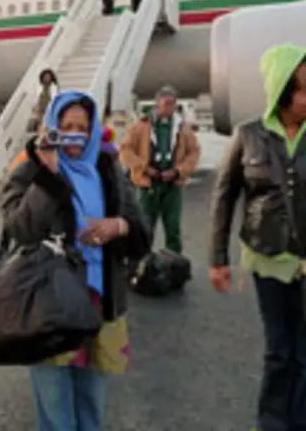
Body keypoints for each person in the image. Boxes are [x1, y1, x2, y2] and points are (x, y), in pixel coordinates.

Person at [2, 90, 151, 431]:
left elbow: (142, 233)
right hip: (49, 305)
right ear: (50, 127)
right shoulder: (29, 169)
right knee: (56, 410)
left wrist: (119, 225)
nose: (74, 135)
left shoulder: (107, 167)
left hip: (100, 302)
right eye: (65, 126)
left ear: (93, 130)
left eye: (82, 128)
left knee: (91, 403)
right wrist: (50, 176)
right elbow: (19, 230)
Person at [209, 44, 306, 431]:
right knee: (280, 348)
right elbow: (224, 196)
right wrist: (217, 257)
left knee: (304, 351)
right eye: (303, 88)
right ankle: (271, 423)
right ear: (284, 90)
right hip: (267, 257)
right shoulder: (248, 134)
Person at [119, 85, 200, 253]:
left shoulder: (182, 128)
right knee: (145, 224)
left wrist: (179, 170)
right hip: (148, 184)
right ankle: (142, 261)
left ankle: (174, 261)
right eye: (166, 103)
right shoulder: (141, 127)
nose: (169, 108)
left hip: (172, 185)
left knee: (173, 227)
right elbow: (125, 149)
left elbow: (194, 151)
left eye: (172, 104)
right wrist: (143, 167)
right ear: (157, 104)